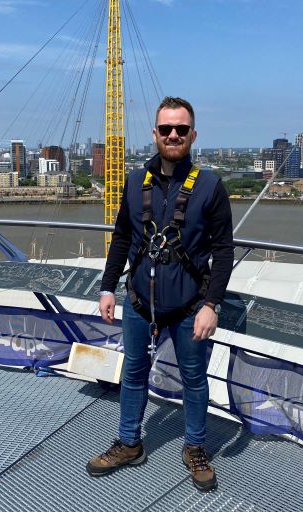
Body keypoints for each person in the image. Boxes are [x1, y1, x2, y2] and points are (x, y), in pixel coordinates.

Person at [86, 97, 234, 492]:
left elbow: (223, 251)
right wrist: (107, 287)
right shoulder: (136, 182)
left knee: (193, 379)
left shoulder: (210, 187)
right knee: (133, 373)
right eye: (166, 129)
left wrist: (211, 304)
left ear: (192, 135)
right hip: (138, 301)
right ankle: (130, 442)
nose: (173, 135)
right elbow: (121, 238)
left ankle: (195, 447)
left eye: (181, 130)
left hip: (189, 308)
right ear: (154, 134)